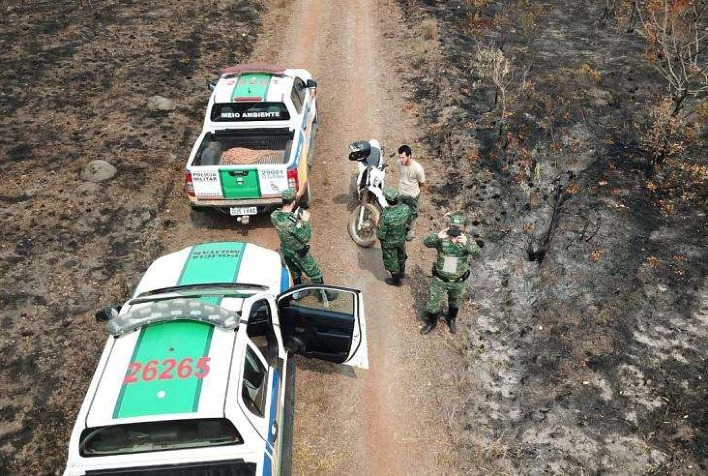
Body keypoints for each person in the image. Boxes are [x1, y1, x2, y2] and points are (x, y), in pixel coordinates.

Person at [420, 212, 481, 335]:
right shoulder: (442, 237)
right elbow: (425, 243)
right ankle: (432, 323)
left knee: (455, 302)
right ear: (449, 225)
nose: (455, 229)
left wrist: (467, 243)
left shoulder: (467, 240)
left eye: (458, 227)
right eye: (453, 226)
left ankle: (451, 319)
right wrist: (438, 236)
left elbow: (478, 254)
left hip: (458, 281)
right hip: (440, 280)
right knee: (433, 303)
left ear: (463, 228)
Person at [271, 189, 336, 301]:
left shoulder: (274, 215)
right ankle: (323, 296)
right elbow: (305, 237)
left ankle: (298, 292)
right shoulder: (292, 223)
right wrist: (304, 222)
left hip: (286, 250)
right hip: (299, 252)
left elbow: (284, 218)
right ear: (293, 203)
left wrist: (292, 214)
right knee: (315, 272)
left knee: (294, 269)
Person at [376, 188, 412, 286]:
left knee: (391, 261)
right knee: (401, 256)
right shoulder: (405, 208)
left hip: (389, 243)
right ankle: (402, 273)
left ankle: (396, 281)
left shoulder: (385, 215)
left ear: (387, 200)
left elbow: (380, 235)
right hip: (401, 239)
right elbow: (409, 221)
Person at [397, 144, 426, 241]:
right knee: (400, 211)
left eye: (403, 157)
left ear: (409, 156)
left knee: (413, 213)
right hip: (401, 193)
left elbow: (422, 183)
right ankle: (402, 228)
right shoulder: (399, 163)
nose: (401, 160)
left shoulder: (418, 168)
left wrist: (413, 190)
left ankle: (411, 230)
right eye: (400, 157)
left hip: (412, 195)